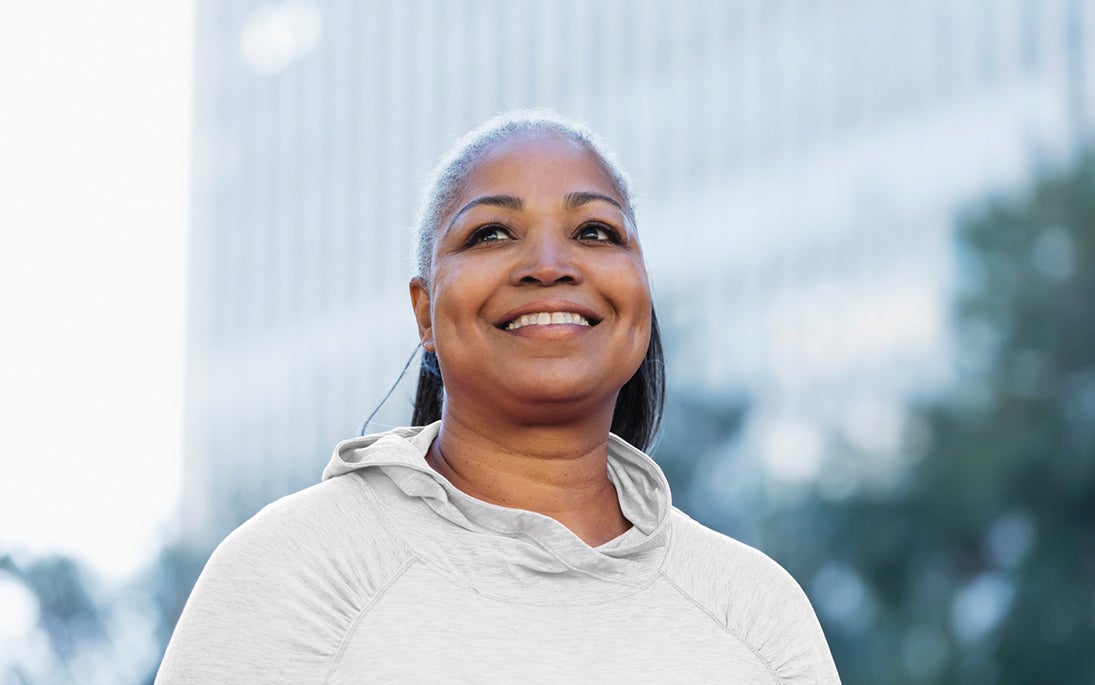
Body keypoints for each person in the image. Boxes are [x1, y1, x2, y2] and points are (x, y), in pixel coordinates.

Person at [156, 111, 840, 683]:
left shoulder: (756, 611)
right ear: (424, 313)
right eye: (490, 233)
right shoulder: (292, 571)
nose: (549, 265)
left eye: (595, 232)